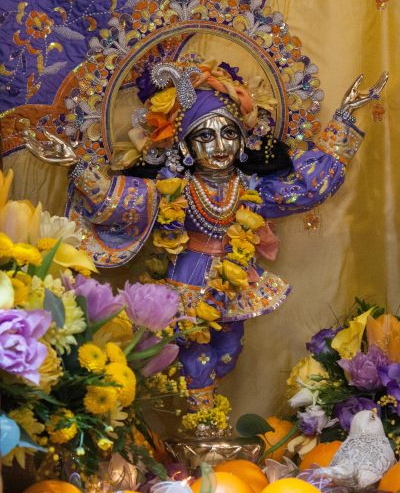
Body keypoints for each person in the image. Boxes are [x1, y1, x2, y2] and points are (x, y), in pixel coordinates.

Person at [24, 60, 387, 425]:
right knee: (193, 361)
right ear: (185, 147)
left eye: (228, 133)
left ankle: (208, 424)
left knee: (228, 354)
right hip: (185, 286)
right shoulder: (175, 191)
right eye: (205, 137)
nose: (219, 146)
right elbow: (117, 199)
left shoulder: (250, 191)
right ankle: (202, 429)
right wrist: (75, 164)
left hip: (235, 287)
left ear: (243, 141)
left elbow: (306, 190)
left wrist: (344, 117)